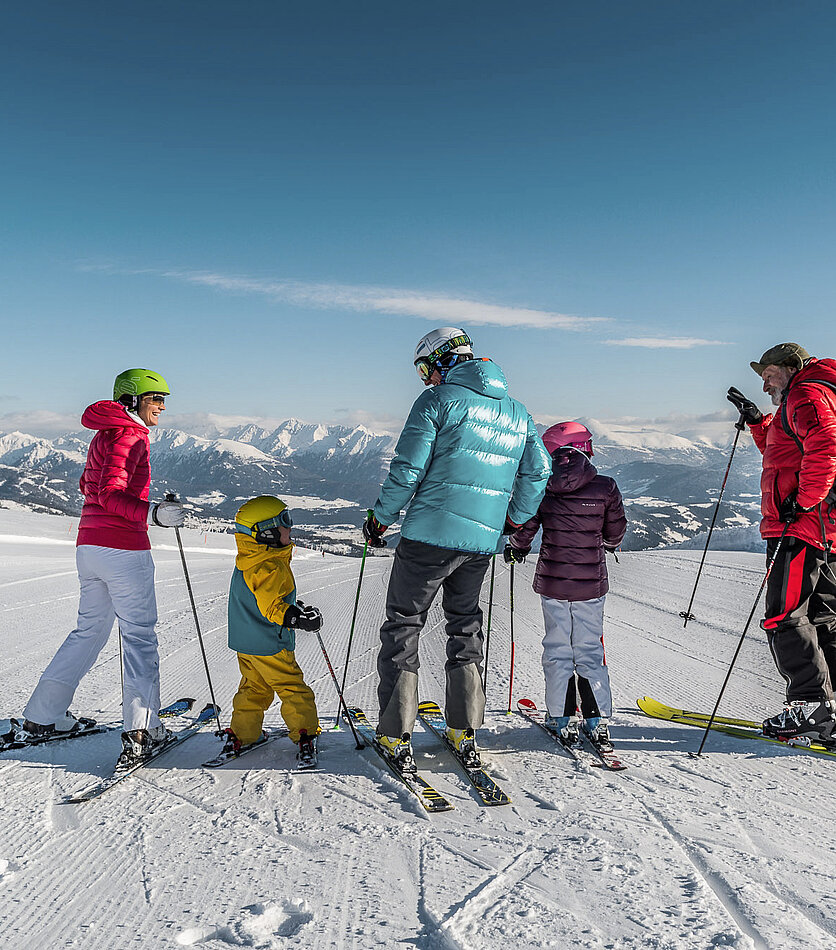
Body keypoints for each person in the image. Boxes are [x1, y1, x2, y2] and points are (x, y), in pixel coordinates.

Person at [362, 326, 551, 770]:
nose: (426, 379)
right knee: (464, 625)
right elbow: (538, 469)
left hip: (428, 536)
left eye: (426, 368)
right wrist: (513, 519)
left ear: (444, 359)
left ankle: (394, 734)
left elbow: (408, 469)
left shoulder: (437, 401)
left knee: (403, 625)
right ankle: (464, 728)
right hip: (481, 542)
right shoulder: (517, 411)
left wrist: (380, 519)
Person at [19, 369, 185, 767]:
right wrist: (153, 513)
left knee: (89, 630)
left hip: (90, 546)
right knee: (140, 637)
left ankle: (44, 715)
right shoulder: (129, 435)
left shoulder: (105, 433)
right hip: (123, 550)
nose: (163, 405)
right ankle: (143, 730)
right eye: (154, 397)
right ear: (131, 400)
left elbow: (87, 486)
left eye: (165, 397)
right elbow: (110, 494)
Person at [727, 343, 836, 742]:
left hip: (801, 527)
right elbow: (784, 451)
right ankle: (829, 707)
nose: (765, 383)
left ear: (791, 368)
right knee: (823, 618)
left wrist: (801, 501)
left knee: (785, 617)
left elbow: (826, 447)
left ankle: (810, 708)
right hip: (825, 529)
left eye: (769, 375)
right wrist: (759, 422)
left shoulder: (806, 394)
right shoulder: (811, 394)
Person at [505, 422, 626, 751]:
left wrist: (515, 549)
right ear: (583, 448)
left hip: (554, 585)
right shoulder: (606, 487)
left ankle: (561, 718)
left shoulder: (542, 486)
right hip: (591, 587)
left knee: (558, 649)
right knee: (590, 651)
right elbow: (615, 535)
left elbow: (524, 530)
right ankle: (596, 720)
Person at [220, 496, 321, 767]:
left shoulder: (248, 561)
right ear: (266, 532)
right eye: (285, 522)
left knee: (253, 687)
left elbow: (260, 598)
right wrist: (298, 619)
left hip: (245, 642)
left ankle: (244, 734)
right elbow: (273, 606)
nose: (291, 527)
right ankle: (305, 734)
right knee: (291, 687)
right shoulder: (270, 566)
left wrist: (293, 606)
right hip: (270, 644)